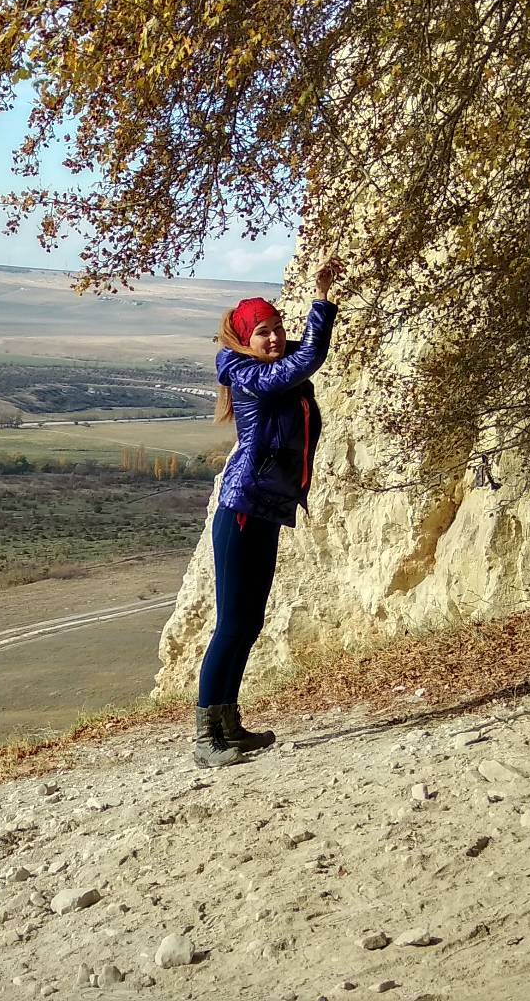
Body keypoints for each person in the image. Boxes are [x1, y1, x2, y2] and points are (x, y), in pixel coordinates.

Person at [193, 257, 342, 767]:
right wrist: (321, 304)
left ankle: (228, 723)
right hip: (241, 510)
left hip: (264, 509)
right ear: (243, 340)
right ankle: (205, 737)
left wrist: (316, 307)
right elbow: (305, 361)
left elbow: (303, 352)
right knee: (232, 623)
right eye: (263, 332)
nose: (275, 338)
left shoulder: (267, 366)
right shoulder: (250, 375)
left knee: (250, 620)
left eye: (277, 328)